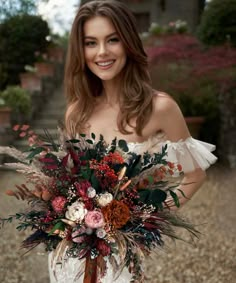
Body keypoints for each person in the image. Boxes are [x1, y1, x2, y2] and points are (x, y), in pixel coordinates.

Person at [49, 0, 217, 282]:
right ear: (81, 51)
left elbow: (195, 175)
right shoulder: (75, 112)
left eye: (112, 40)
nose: (102, 52)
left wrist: (145, 219)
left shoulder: (160, 108)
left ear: (128, 42)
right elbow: (69, 182)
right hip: (70, 255)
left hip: (120, 256)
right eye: (91, 43)